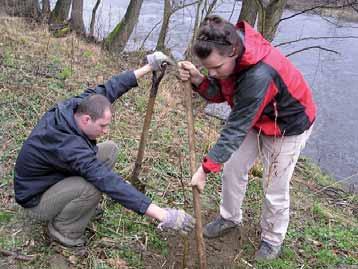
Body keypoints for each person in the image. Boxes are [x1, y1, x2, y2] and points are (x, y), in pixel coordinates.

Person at [14, 52, 194, 248]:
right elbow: (108, 181)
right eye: (102, 126)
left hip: (52, 176)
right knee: (94, 185)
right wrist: (163, 214)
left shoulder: (77, 107)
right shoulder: (70, 146)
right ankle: (64, 230)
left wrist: (149, 67)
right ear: (86, 120)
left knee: (109, 150)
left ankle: (79, 208)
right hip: (36, 199)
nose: (106, 130)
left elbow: (110, 88)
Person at [178, 16, 316, 261]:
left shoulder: (258, 74)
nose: (213, 73)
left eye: (216, 68)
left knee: (274, 185)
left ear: (232, 51)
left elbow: (235, 128)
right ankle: (229, 217)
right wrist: (199, 80)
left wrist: (205, 169)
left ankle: (272, 238)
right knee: (233, 167)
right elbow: (221, 92)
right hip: (257, 117)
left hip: (287, 125)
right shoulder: (233, 57)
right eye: (208, 68)